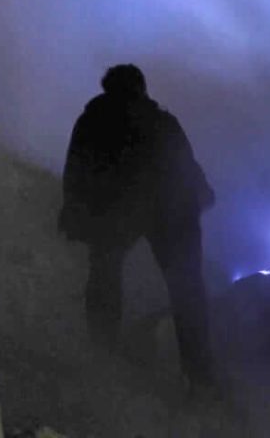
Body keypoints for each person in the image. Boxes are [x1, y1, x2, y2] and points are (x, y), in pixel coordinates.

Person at [59, 64, 216, 388]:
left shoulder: (94, 121)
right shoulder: (162, 123)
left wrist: (75, 213)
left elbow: (76, 171)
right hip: (165, 212)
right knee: (186, 291)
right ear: (142, 88)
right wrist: (200, 196)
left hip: (119, 211)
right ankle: (200, 378)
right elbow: (186, 168)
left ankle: (101, 358)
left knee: (105, 276)